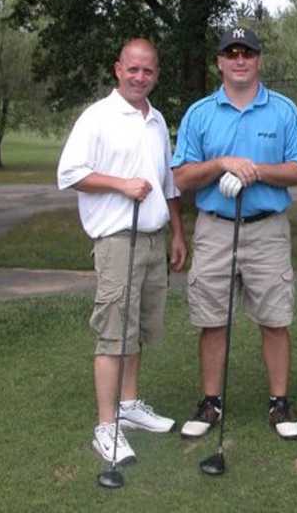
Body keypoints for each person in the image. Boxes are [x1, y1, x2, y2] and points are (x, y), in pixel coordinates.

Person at [172, 27, 297, 441]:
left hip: (267, 229)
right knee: (212, 320)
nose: (239, 60)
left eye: (247, 53)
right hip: (214, 230)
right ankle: (211, 402)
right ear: (218, 61)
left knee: (274, 319)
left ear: (258, 60)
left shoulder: (283, 110)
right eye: (231, 53)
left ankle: (280, 402)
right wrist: (221, 165)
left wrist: (255, 171)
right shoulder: (200, 113)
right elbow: (181, 177)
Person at [57, 38, 188, 465]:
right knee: (114, 332)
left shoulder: (156, 119)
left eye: (148, 70)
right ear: (118, 69)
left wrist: (178, 234)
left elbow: (167, 183)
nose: (140, 77)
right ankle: (106, 426)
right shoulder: (97, 117)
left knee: (137, 330)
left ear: (156, 74)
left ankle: (129, 406)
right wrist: (121, 183)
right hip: (117, 240)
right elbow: (71, 173)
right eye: (133, 69)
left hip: (153, 238)